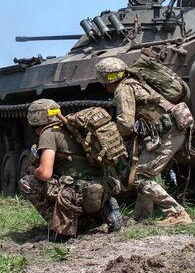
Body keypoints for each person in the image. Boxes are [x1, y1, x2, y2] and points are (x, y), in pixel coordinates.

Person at [95, 57, 193, 227]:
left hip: (168, 134)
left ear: (104, 80)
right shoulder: (135, 82)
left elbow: (126, 125)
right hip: (171, 130)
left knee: (140, 177)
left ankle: (177, 213)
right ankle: (141, 216)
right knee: (143, 172)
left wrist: (109, 136)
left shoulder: (123, 89)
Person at [19, 98, 122, 237]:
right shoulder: (73, 129)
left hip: (77, 191)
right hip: (102, 184)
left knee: (27, 182)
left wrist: (31, 169)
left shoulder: (48, 133)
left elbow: (44, 173)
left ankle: (62, 224)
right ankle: (102, 208)